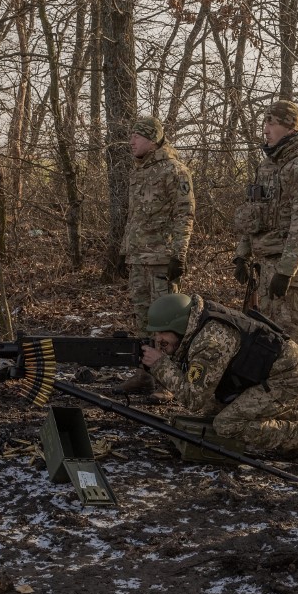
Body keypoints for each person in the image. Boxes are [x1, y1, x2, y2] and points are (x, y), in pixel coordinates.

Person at [141, 293, 298, 467]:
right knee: (213, 410)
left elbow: (193, 399)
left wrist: (160, 365)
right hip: (271, 374)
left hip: (290, 378)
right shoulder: (198, 324)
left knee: (227, 425)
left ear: (179, 326)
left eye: (162, 333)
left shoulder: (210, 342)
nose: (158, 339)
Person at [233, 100, 298, 409]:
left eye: (272, 123)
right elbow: (252, 213)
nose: (266, 129)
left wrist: (286, 271)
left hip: (292, 270)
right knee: (271, 339)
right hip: (265, 264)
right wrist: (242, 255)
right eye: (264, 122)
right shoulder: (268, 165)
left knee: (294, 339)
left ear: (291, 127)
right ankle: (285, 400)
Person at [114, 116, 195, 395]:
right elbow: (134, 217)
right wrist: (125, 251)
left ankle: (167, 380)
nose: (131, 141)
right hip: (138, 258)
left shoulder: (175, 170)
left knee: (166, 323)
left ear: (153, 139)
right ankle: (144, 374)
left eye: (137, 136)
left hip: (162, 257)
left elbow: (184, 216)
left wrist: (178, 255)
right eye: (131, 135)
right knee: (142, 319)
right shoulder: (138, 171)